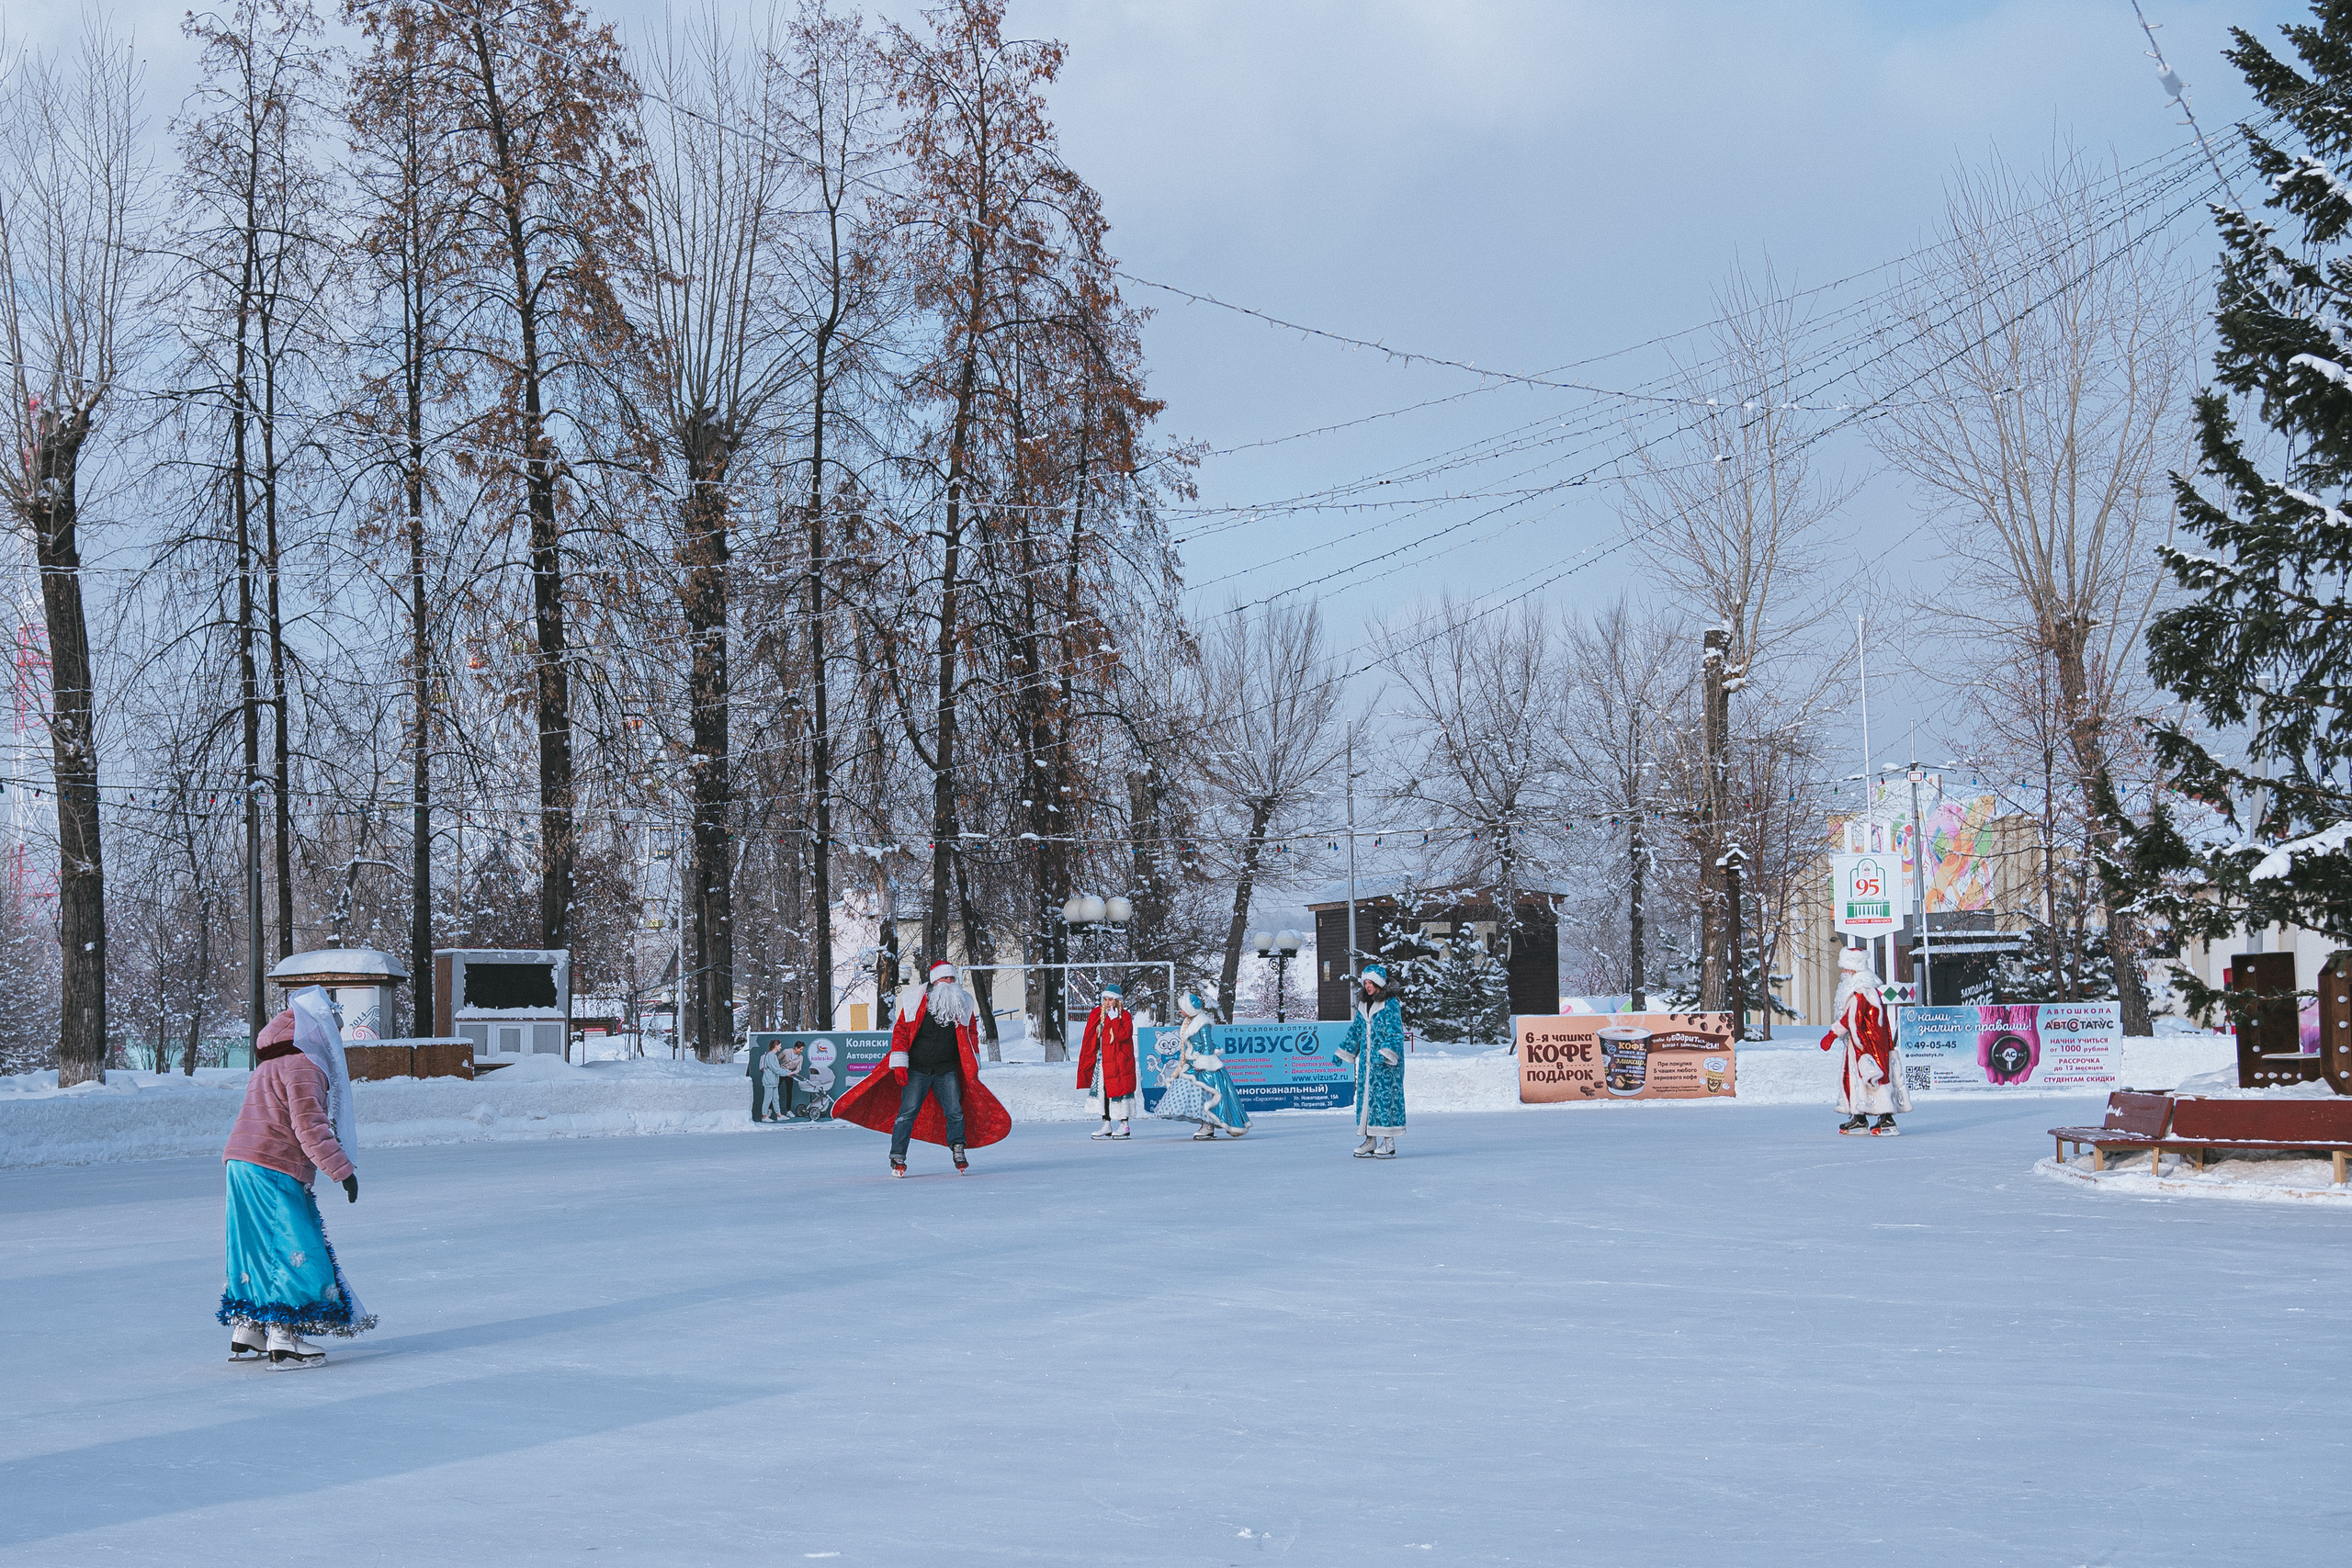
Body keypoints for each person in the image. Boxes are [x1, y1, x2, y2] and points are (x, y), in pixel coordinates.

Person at [218, 986, 376, 1369]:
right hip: (272, 1164)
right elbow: (309, 1125)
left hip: (241, 1162)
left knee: (253, 1247)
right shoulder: (303, 1065)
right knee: (294, 1246)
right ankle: (284, 1336)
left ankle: (249, 1328)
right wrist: (342, 1170)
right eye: (333, 1027)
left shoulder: (270, 1063)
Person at [833, 961, 1011, 1176]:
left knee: (955, 1112)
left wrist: (972, 1061)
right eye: (945, 978)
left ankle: (958, 1149)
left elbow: (971, 1033)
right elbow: (900, 1032)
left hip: (947, 1070)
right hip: (918, 1069)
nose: (950, 982)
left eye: (952, 978)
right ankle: (897, 1155)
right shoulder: (915, 1001)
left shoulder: (962, 1004)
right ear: (935, 980)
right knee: (907, 1113)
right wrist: (900, 1063)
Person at [1821, 945, 1910, 1135]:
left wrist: (1832, 1034)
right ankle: (1859, 1118)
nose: (1843, 972)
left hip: (1868, 1045)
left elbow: (1851, 1018)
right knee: (1858, 1079)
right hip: (1863, 1044)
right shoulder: (1863, 990)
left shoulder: (1861, 992)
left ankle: (1886, 1119)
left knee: (1874, 1078)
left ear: (1853, 970)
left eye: (1845, 968)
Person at [1152, 990, 1251, 1139]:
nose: (1180, 1011)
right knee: (1193, 1095)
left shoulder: (1202, 1022)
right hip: (1193, 1064)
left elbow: (1207, 1045)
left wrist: (1202, 1063)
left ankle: (1207, 1125)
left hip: (1205, 1067)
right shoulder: (1189, 1022)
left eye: (1182, 1008)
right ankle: (1206, 1125)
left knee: (1206, 1096)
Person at [1335, 964, 1406, 1158]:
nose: (1367, 986)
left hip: (1386, 1065)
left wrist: (1383, 1054)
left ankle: (1388, 1142)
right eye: (1365, 982)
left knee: (1385, 1102)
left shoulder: (1390, 1004)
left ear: (1379, 983)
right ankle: (1370, 1139)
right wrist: (1343, 1052)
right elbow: (1356, 1030)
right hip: (1367, 1065)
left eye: (1371, 982)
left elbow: (1395, 1033)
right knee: (1367, 1101)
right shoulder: (1363, 1005)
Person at [1078, 982, 1139, 1140]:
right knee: (1103, 1091)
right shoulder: (1098, 1014)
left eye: (1110, 1000)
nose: (1107, 1003)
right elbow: (1090, 1037)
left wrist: (1114, 1020)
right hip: (1103, 1060)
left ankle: (1124, 1124)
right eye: (1105, 999)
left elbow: (1123, 1036)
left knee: (1119, 1091)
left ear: (1117, 1001)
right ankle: (1106, 1124)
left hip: (1119, 1061)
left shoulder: (1124, 1016)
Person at [753, 1039, 800, 1122]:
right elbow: (775, 1069)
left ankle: (779, 1115)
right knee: (767, 1099)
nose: (781, 1047)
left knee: (776, 1098)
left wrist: (787, 1072)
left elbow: (777, 1069)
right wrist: (787, 1073)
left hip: (774, 1081)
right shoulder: (770, 1056)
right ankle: (764, 1116)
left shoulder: (774, 1056)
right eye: (779, 1046)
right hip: (769, 1081)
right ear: (775, 1046)